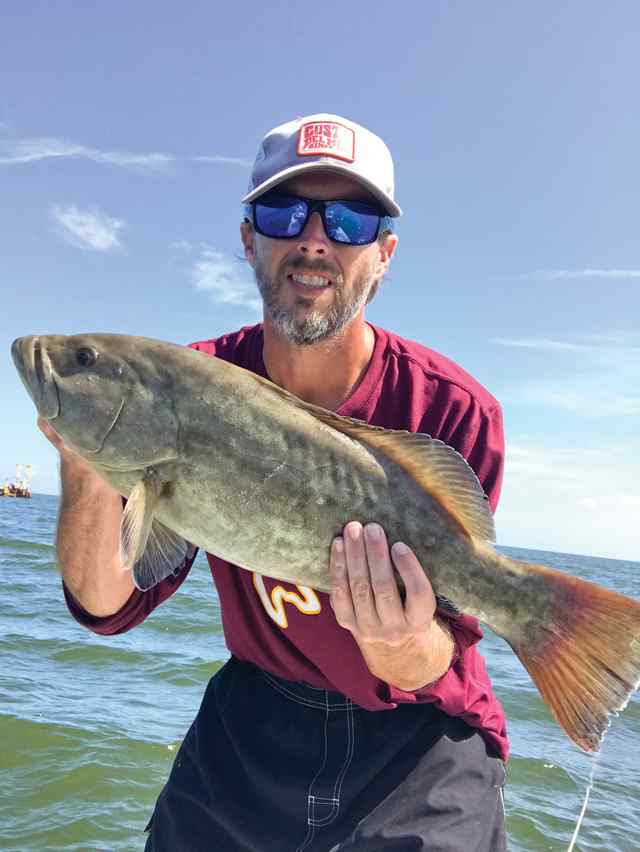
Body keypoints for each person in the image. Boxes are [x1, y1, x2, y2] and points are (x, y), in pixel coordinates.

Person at [40, 113, 508, 851]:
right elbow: (109, 607)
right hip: (256, 711)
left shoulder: (452, 409)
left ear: (384, 255)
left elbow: (440, 653)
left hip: (419, 734)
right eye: (285, 213)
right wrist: (88, 463)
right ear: (249, 238)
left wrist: (397, 639)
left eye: (350, 219)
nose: (315, 238)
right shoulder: (184, 382)